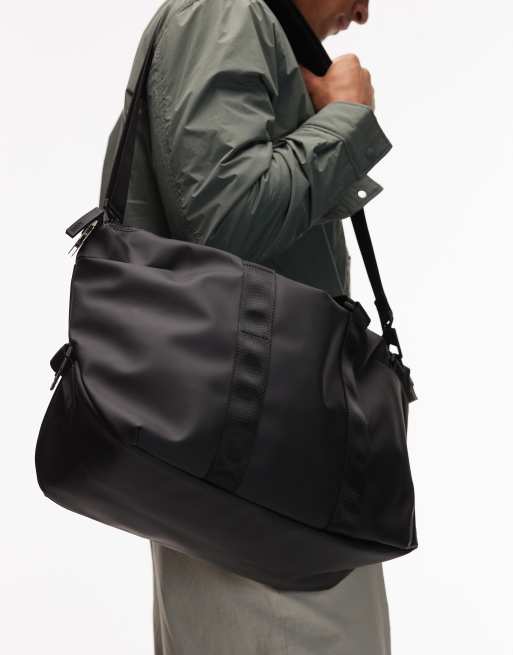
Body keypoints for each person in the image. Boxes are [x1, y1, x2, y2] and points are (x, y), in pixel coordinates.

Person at [99, 0, 394, 652]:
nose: (362, 11)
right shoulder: (226, 12)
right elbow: (226, 218)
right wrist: (346, 118)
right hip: (260, 476)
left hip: (251, 459)